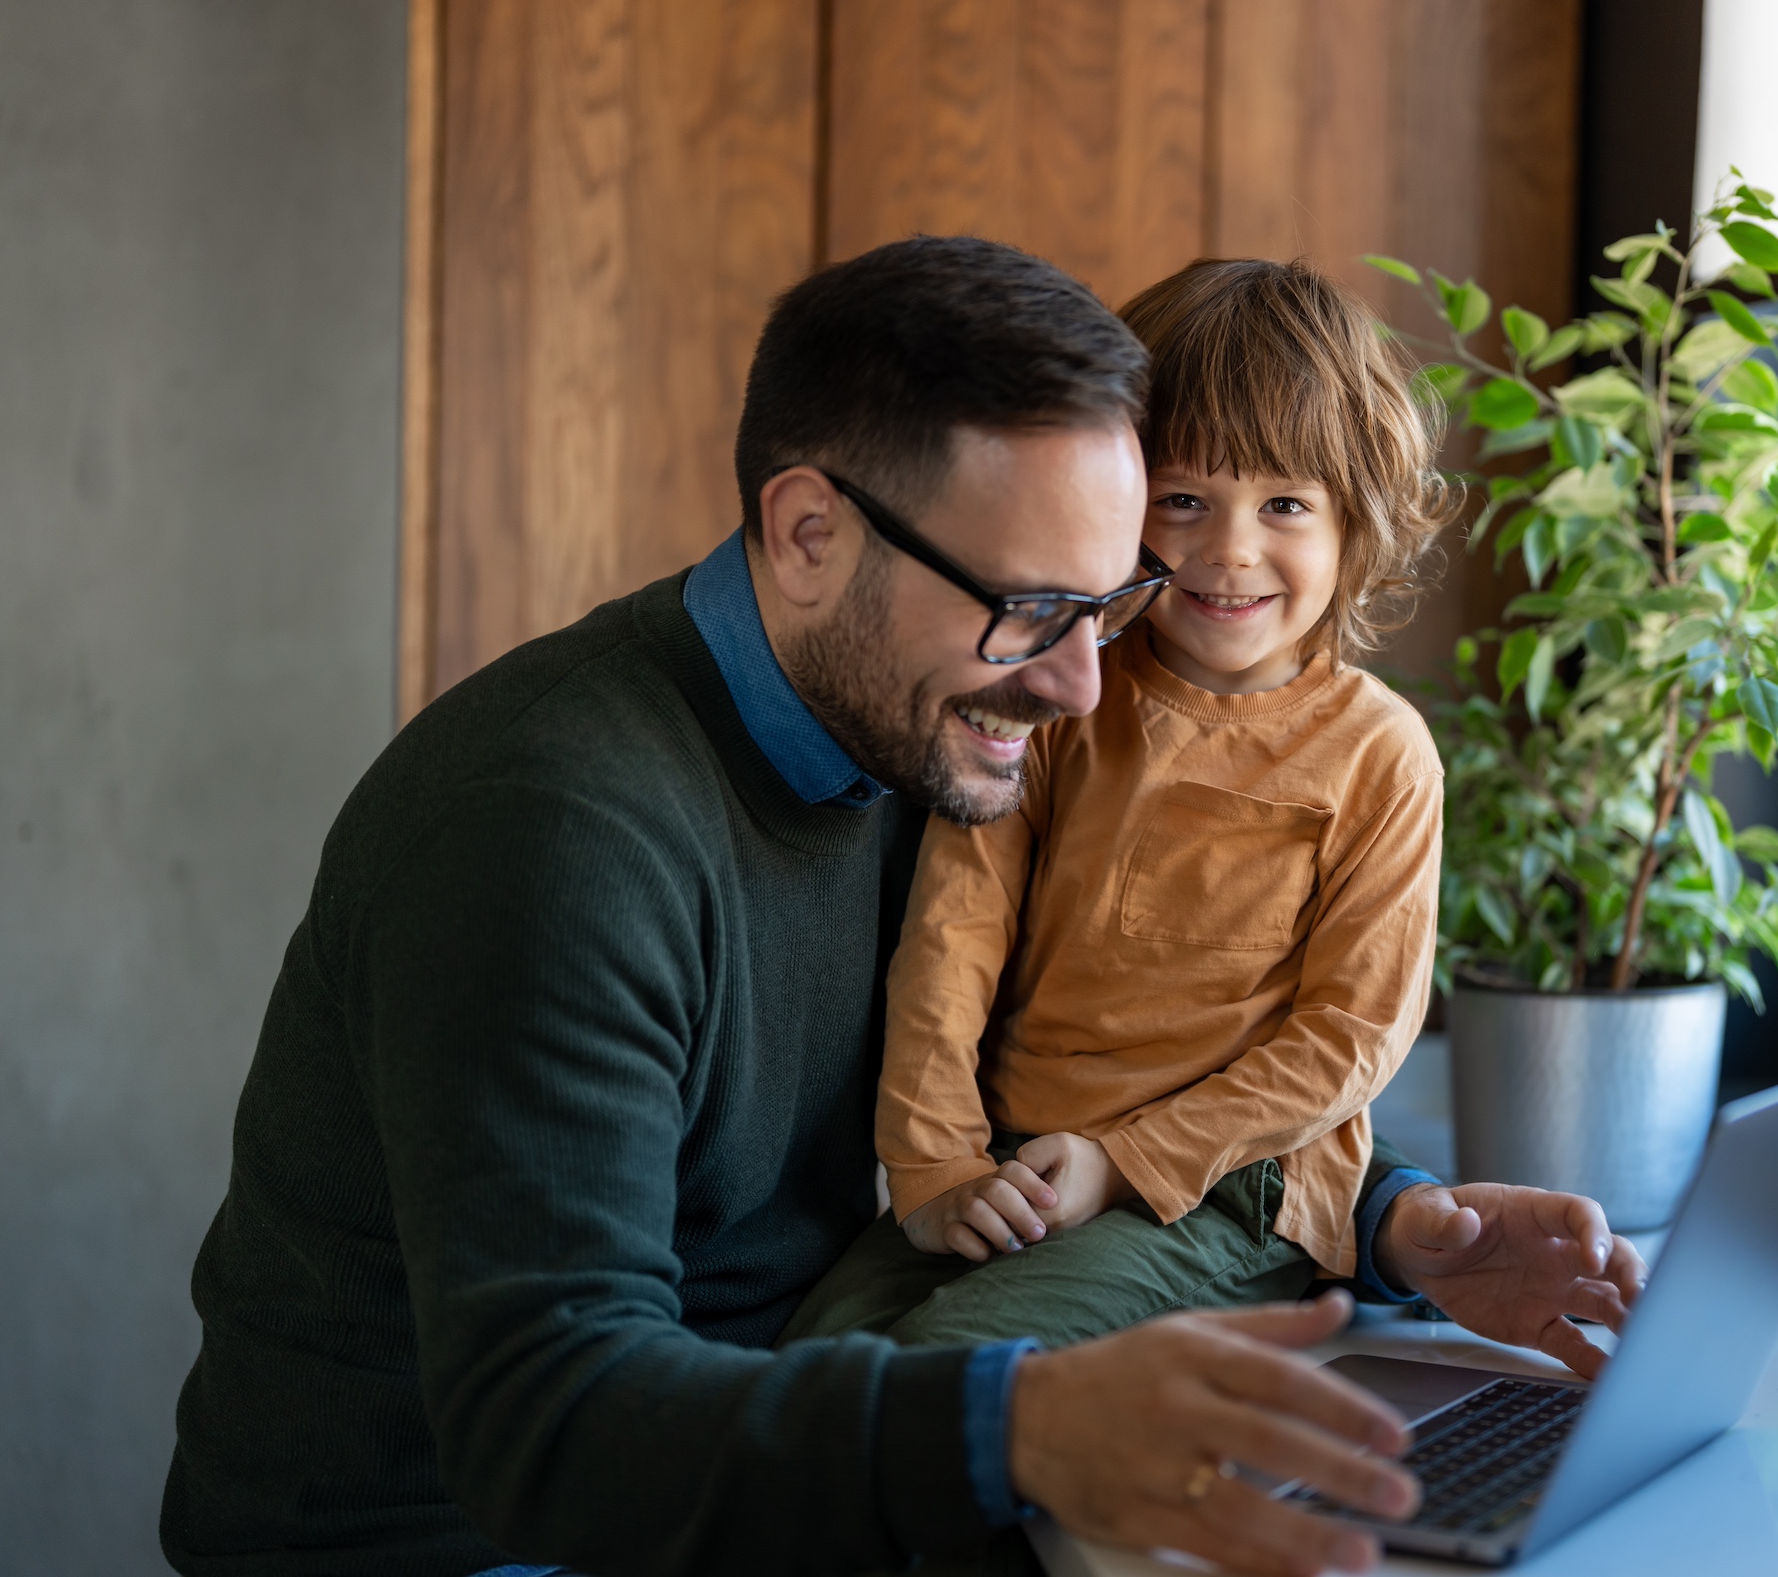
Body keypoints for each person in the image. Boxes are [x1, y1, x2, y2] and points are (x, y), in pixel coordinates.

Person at [162, 237, 1644, 1577]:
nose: (1078, 685)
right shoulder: (552, 832)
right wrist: (1023, 1424)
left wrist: (1385, 1226)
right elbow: (552, 1419)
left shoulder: (920, 733)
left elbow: (1104, 1041)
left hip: (748, 1449)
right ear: (811, 533)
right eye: (1032, 609)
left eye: (1107, 608)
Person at [784, 258, 1525, 1353]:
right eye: (1185, 500)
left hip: (1231, 1192)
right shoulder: (1059, 696)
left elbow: (1352, 1037)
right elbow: (952, 933)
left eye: (1285, 504)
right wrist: (935, 1162)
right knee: (817, 1355)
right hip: (1016, 1164)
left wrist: (1124, 1160)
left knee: (948, 1369)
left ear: (1355, 524)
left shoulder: (1381, 754)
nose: (1230, 549)